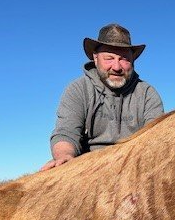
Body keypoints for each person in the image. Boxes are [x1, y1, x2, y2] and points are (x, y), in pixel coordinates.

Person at [41, 23, 164, 171]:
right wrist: (64, 156)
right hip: (88, 168)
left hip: (134, 166)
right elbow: (66, 133)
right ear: (95, 58)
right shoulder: (78, 89)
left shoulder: (147, 94)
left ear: (133, 60)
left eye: (124, 59)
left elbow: (155, 140)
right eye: (109, 58)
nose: (117, 67)